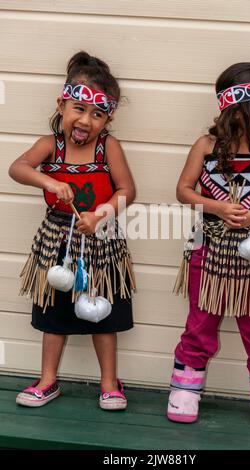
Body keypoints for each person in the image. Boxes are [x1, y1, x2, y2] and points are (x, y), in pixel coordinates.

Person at [167, 62, 250, 431]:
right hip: (208, 249)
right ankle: (186, 386)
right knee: (201, 321)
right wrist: (219, 207)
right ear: (238, 107)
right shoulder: (206, 146)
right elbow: (184, 190)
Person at [9, 51, 136, 410]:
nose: (86, 120)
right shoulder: (50, 145)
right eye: (78, 109)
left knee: (103, 313)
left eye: (98, 114)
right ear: (62, 105)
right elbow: (17, 168)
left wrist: (101, 214)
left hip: (101, 238)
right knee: (54, 313)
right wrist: (48, 181)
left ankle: (110, 382)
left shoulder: (107, 146)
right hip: (56, 241)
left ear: (108, 118)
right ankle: (48, 380)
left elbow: (127, 189)